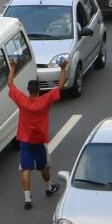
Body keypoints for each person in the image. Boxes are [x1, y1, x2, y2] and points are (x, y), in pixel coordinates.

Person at [7, 55, 67, 210]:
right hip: (39, 140)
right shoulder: (44, 101)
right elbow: (60, 86)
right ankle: (48, 187)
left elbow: (10, 84)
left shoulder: (22, 101)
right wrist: (62, 68)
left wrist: (13, 67)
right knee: (44, 166)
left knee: (25, 168)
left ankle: (27, 199)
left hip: (25, 140)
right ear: (39, 90)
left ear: (28, 90)